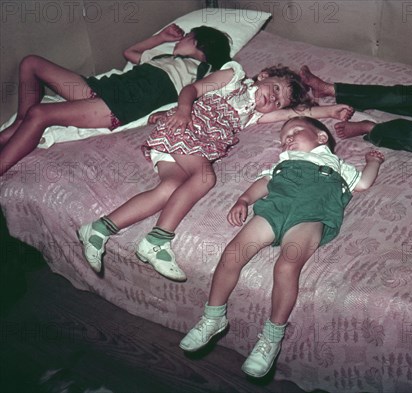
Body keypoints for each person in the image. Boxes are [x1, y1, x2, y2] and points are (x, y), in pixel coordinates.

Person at [77, 63, 354, 282]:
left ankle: (99, 228)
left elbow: (291, 116)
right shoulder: (233, 77)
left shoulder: (253, 115)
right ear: (264, 75)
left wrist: (331, 110)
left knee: (169, 189)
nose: (273, 99)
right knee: (205, 177)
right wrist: (184, 111)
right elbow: (191, 90)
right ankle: (157, 240)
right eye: (276, 89)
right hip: (183, 128)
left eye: (278, 101)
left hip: (189, 147)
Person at [178, 116, 385, 377]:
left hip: (312, 214)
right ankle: (213, 316)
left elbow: (363, 184)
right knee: (233, 253)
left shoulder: (337, 164)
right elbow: (265, 183)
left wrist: (373, 162)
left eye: (295, 132)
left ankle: (271, 338)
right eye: (283, 138)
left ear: (321, 137)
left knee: (287, 265)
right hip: (276, 208)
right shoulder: (283, 162)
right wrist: (243, 199)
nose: (287, 139)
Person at [0, 24, 232, 176]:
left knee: (40, 113)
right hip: (105, 87)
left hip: (123, 103)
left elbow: (206, 90)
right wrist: (160, 37)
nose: (180, 39)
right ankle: (20, 124)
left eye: (188, 36)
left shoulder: (203, 70)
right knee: (31, 63)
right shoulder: (164, 56)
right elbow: (130, 54)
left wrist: (183, 109)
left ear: (198, 43)